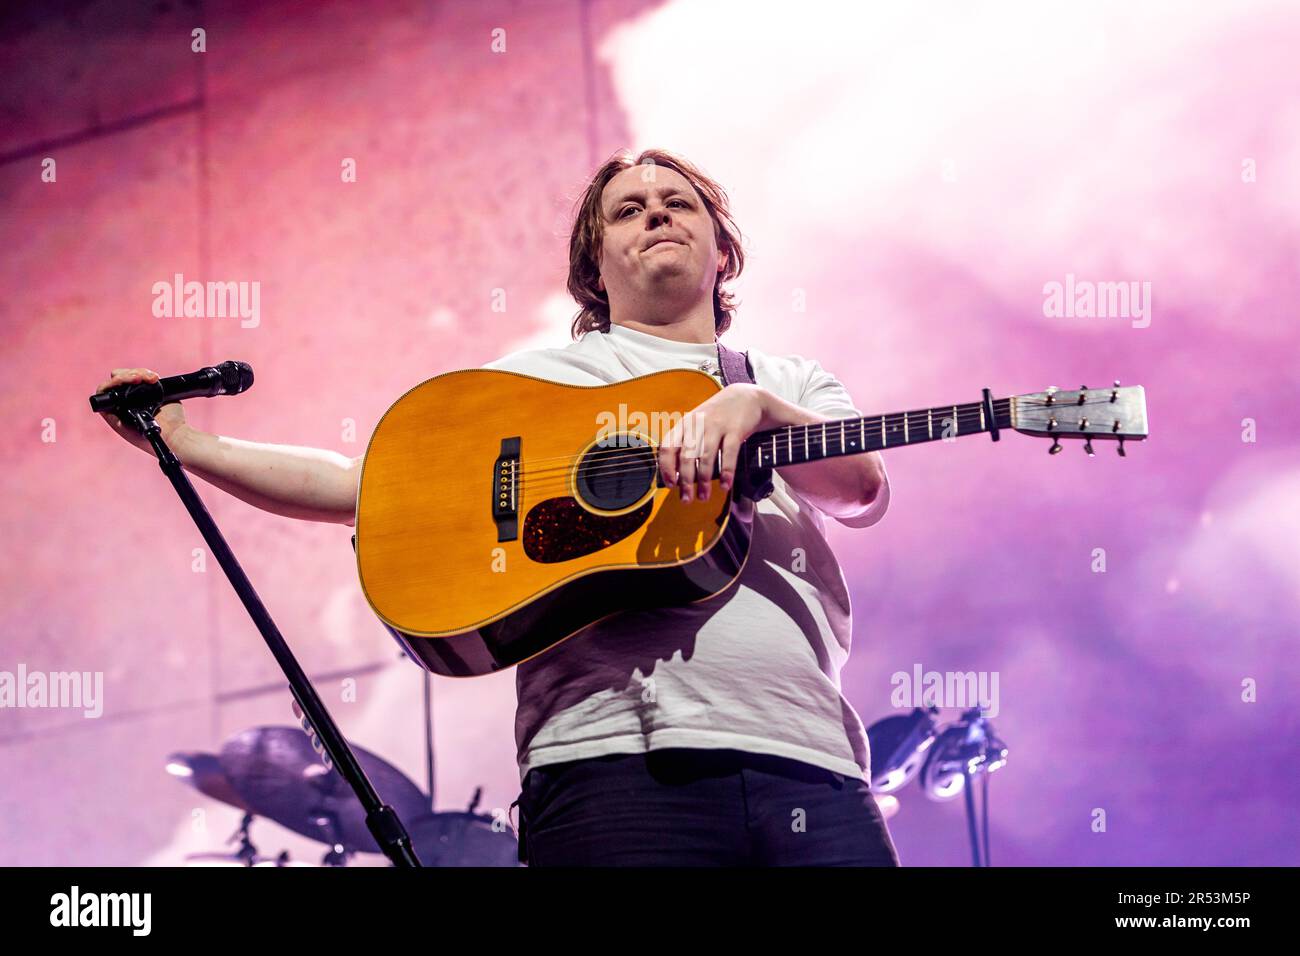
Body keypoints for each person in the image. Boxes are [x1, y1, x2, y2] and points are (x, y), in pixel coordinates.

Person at [96, 148, 899, 867]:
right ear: (594, 264)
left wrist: (755, 407)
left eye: (680, 202)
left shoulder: (791, 380)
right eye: (628, 208)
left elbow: (861, 491)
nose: (656, 211)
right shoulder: (539, 383)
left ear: (723, 250)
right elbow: (360, 486)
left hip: (809, 758)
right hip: (609, 765)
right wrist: (189, 444)